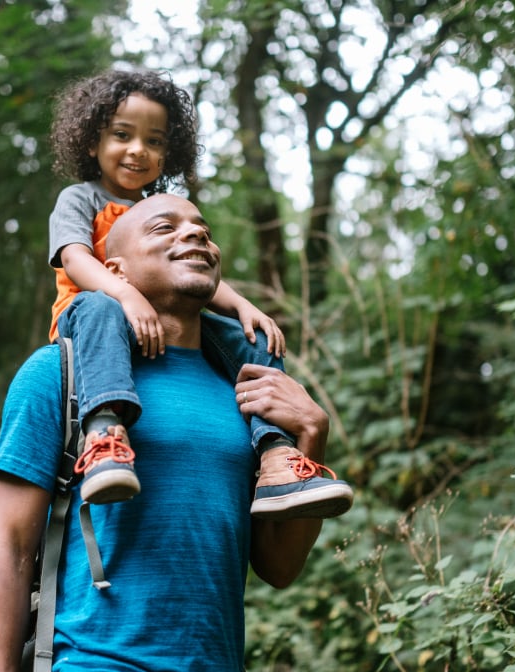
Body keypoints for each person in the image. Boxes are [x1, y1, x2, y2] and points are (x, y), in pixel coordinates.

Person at [0, 194, 347, 672]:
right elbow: (6, 547)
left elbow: (278, 567)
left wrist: (311, 436)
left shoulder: (247, 391)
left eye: (203, 228)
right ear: (113, 271)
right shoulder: (59, 374)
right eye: (165, 226)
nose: (196, 235)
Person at [47, 68, 353, 519]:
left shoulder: (161, 207)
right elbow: (75, 259)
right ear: (92, 142)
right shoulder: (81, 199)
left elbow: (192, 272)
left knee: (251, 339)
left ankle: (276, 456)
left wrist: (243, 306)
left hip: (162, 324)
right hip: (94, 323)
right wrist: (125, 295)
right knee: (97, 305)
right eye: (122, 135)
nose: (138, 150)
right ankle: (105, 435)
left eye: (154, 141)